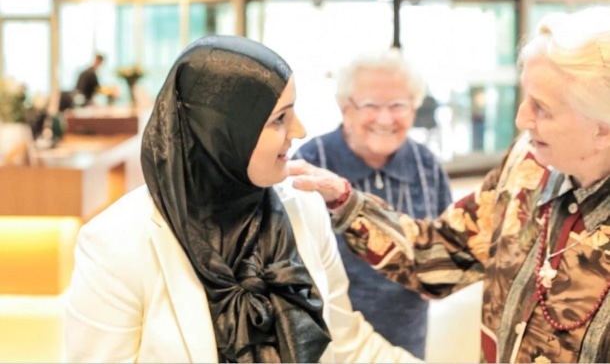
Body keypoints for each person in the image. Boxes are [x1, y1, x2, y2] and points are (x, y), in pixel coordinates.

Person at [64, 35, 418, 363]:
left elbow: (346, 344)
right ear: (219, 133)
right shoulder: (115, 244)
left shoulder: (304, 209)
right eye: (279, 119)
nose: (300, 131)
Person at [289, 6, 610, 363]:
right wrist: (345, 200)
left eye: (542, 108)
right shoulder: (527, 166)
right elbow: (437, 257)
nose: (521, 119)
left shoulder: (428, 163)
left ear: (603, 127)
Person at [292, 50, 452, 358]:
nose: (385, 118)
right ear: (345, 108)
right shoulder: (311, 163)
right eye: (371, 106)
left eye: (398, 105)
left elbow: (445, 242)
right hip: (328, 339)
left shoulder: (425, 164)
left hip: (406, 334)